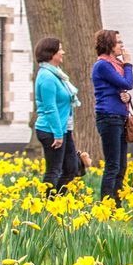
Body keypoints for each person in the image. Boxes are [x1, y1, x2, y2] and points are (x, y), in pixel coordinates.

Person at [91, 29, 133, 202]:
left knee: (121, 164)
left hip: (119, 116)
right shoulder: (103, 65)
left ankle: (116, 203)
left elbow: (123, 88)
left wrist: (127, 96)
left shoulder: (114, 64)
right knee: (113, 164)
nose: (121, 45)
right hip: (108, 117)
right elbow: (127, 83)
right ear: (109, 45)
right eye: (118, 42)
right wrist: (128, 64)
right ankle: (107, 203)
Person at [33, 37, 79, 194]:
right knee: (54, 171)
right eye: (60, 49)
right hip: (51, 130)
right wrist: (58, 135)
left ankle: (56, 200)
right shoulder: (47, 77)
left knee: (72, 168)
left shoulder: (57, 75)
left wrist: (65, 132)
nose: (63, 52)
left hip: (63, 129)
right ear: (51, 53)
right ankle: (47, 206)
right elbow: (50, 108)